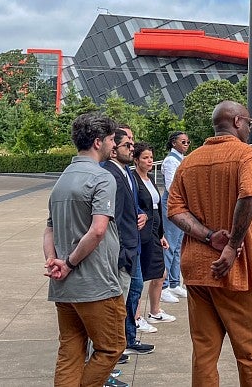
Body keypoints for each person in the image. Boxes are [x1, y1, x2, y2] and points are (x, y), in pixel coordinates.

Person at [167, 101, 252, 387]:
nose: (250, 128)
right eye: (248, 122)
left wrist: (209, 236)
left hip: (197, 269)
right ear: (237, 121)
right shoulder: (247, 156)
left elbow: (174, 209)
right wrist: (231, 244)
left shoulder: (190, 161)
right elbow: (249, 197)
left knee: (204, 352)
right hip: (236, 271)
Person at [43, 112, 127, 387]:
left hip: (64, 287)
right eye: (113, 140)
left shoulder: (63, 179)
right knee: (111, 346)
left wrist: (53, 262)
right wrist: (68, 262)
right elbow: (98, 229)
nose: (115, 146)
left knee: (70, 350)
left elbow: (50, 229)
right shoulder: (102, 179)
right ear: (97, 142)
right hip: (95, 283)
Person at [103, 126, 154, 357]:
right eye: (128, 144)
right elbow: (112, 217)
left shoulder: (126, 174)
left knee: (134, 293)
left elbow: (131, 206)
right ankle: (116, 345)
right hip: (124, 249)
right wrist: (122, 250)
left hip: (134, 246)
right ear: (114, 150)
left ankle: (128, 338)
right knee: (121, 298)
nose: (132, 147)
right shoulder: (111, 174)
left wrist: (141, 213)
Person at [132, 142, 176, 332]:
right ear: (136, 160)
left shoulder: (150, 178)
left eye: (151, 157)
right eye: (145, 158)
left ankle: (155, 310)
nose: (150, 161)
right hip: (142, 233)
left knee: (161, 273)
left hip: (155, 231)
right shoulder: (133, 180)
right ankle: (136, 316)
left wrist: (161, 235)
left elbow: (155, 208)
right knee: (140, 276)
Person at [160, 130, 191, 302]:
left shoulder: (182, 159)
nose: (186, 145)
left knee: (178, 245)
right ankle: (163, 286)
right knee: (170, 244)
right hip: (172, 204)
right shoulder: (171, 160)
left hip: (181, 204)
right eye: (183, 142)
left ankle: (174, 282)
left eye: (187, 142)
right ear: (174, 143)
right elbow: (172, 187)